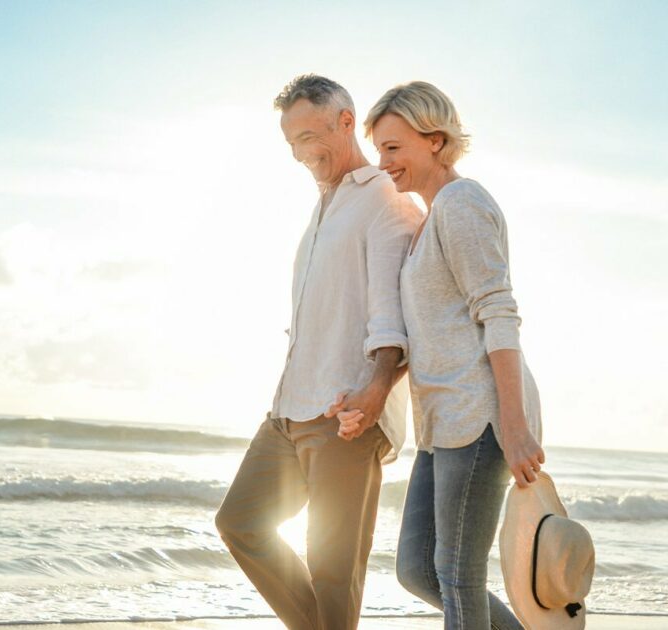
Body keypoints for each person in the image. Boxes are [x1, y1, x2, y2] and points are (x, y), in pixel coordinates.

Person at [214, 74, 422, 630]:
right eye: (292, 143)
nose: (301, 153)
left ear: (346, 122)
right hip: (289, 408)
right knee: (239, 522)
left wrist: (375, 392)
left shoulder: (385, 197)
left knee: (334, 574)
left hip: (344, 413)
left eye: (311, 136)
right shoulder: (323, 206)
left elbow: (393, 315)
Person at [349, 81, 545, 629]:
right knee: (419, 569)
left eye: (394, 147)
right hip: (440, 423)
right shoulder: (429, 220)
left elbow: (498, 311)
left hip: (480, 415)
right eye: (379, 148)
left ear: (435, 140)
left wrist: (512, 420)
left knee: (458, 575)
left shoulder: (462, 203)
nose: (383, 162)